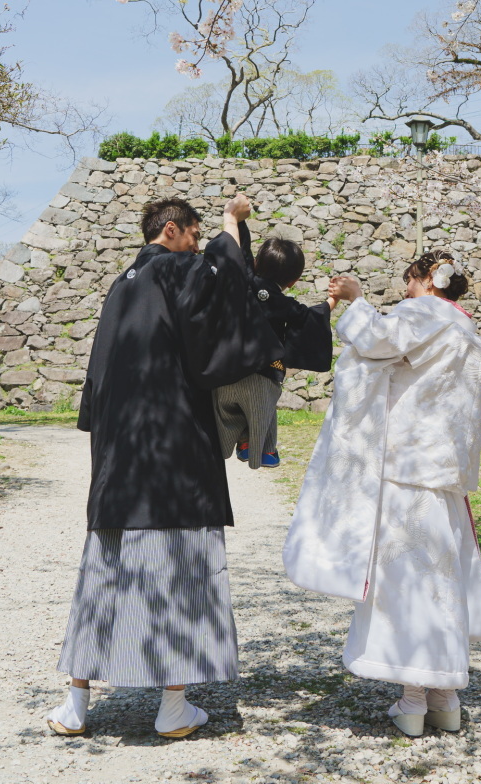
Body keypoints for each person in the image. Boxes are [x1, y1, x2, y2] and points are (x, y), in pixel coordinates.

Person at [48, 194, 283, 740]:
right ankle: (173, 707)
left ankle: (75, 705)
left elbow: (97, 375)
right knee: (181, 568)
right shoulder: (180, 269)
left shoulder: (122, 283)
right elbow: (223, 318)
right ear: (173, 232)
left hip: (118, 455)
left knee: (104, 569)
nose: (199, 247)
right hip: (172, 445)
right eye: (195, 236)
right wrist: (231, 227)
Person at [283, 249, 481, 738]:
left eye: (410, 281)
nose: (405, 292)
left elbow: (377, 340)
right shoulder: (468, 333)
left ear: (427, 280)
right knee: (442, 583)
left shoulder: (424, 314)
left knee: (407, 584)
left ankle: (413, 699)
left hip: (406, 467)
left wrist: (357, 299)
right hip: (445, 474)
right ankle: (446, 699)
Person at [213, 231, 335, 469]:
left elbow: (241, 251)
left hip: (226, 369)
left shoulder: (243, 280)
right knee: (263, 413)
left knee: (224, 414)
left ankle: (232, 441)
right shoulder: (285, 304)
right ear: (294, 280)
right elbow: (310, 317)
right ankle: (264, 450)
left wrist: (238, 221)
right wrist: (333, 300)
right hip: (264, 374)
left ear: (256, 263)